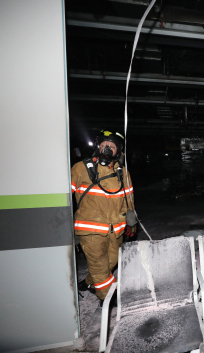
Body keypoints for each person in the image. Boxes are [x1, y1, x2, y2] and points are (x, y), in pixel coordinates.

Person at [71, 129, 136, 304]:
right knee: (99, 265)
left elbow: (129, 199)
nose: (107, 149)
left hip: (116, 228)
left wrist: (131, 222)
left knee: (112, 261)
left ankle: (89, 282)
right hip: (90, 228)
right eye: (104, 145)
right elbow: (64, 197)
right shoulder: (81, 168)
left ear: (118, 151)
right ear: (98, 146)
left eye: (112, 146)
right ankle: (107, 298)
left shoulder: (123, 172)